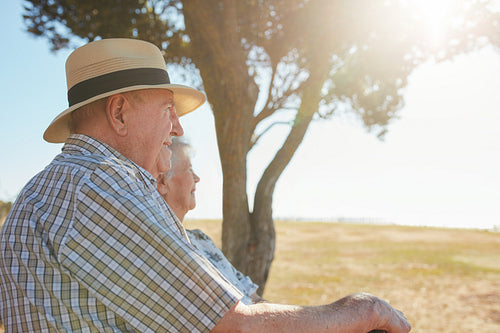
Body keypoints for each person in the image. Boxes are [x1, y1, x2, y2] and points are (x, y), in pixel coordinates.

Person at [0, 38, 411, 333]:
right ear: (119, 112)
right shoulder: (100, 185)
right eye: (168, 109)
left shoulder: (43, 190)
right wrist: (363, 311)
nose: (176, 127)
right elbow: (230, 325)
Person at [157, 137, 261, 304]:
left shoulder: (200, 239)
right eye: (189, 169)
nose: (196, 178)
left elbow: (254, 298)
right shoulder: (167, 249)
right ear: (162, 181)